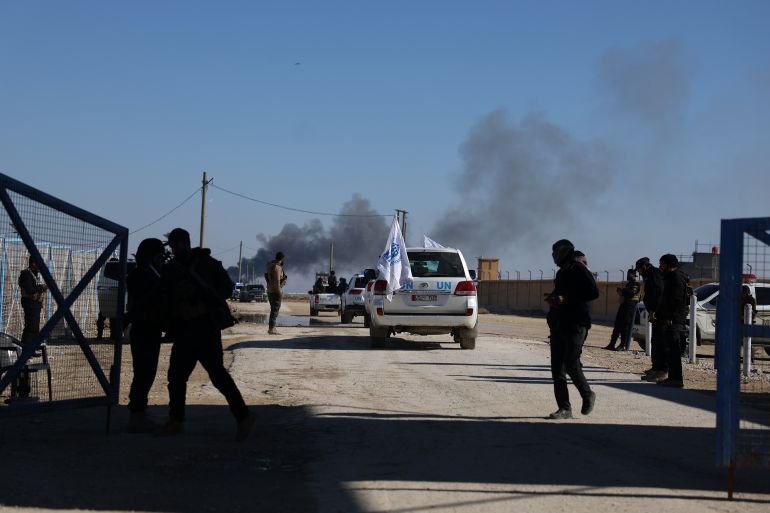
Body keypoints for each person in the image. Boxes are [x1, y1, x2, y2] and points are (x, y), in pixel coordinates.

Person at [158, 228, 255, 440]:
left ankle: (243, 416)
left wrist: (204, 304)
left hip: (205, 328)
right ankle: (176, 421)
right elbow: (165, 296)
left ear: (186, 243)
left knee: (218, 376)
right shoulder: (172, 268)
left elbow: (226, 289)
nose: (174, 250)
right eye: (172, 247)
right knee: (176, 377)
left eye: (176, 246)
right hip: (184, 330)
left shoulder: (208, 264)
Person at [544, 239, 599, 419]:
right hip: (559, 324)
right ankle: (564, 408)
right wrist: (554, 298)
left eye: (555, 253)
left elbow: (593, 292)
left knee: (571, 363)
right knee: (557, 369)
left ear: (564, 252)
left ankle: (587, 394)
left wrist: (566, 299)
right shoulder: (562, 273)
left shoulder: (578, 269)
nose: (553, 257)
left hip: (576, 324)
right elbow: (561, 294)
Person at [125, 238, 166, 433]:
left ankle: (138, 411)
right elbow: (144, 302)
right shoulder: (140, 274)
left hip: (150, 328)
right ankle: (137, 414)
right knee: (143, 372)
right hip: (144, 328)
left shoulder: (150, 272)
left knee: (146, 372)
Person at [16, 256, 48, 399]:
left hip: (35, 305)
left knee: (34, 328)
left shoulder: (34, 274)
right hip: (30, 304)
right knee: (30, 328)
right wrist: (41, 287)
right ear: (33, 263)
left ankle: (31, 348)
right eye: (38, 264)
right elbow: (29, 290)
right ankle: (26, 349)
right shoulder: (26, 274)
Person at [656, 254, 689, 387]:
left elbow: (676, 300)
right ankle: (673, 378)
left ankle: (676, 379)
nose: (660, 267)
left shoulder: (676, 277)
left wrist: (670, 317)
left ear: (668, 264)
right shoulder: (671, 277)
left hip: (674, 319)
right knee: (671, 348)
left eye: (662, 264)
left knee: (674, 349)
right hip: (671, 317)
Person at [636, 257, 665, 382]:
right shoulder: (649, 275)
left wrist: (654, 311)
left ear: (644, 266)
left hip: (658, 313)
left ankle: (661, 370)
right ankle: (655, 368)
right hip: (654, 312)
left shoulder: (653, 274)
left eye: (639, 270)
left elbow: (658, 293)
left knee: (659, 342)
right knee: (655, 341)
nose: (639, 272)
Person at [604, 269, 641, 351]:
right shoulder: (628, 284)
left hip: (630, 307)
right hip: (623, 306)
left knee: (625, 326)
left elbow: (631, 293)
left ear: (632, 275)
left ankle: (622, 345)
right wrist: (622, 291)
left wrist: (622, 291)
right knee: (617, 325)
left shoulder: (636, 284)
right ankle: (612, 344)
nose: (627, 276)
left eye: (629, 274)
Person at [265, 251, 287, 335]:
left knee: (273, 309)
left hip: (270, 290)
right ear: (281, 258)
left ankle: (271, 328)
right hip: (275, 291)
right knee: (275, 310)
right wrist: (279, 292)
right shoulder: (277, 268)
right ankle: (272, 328)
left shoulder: (270, 265)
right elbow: (277, 281)